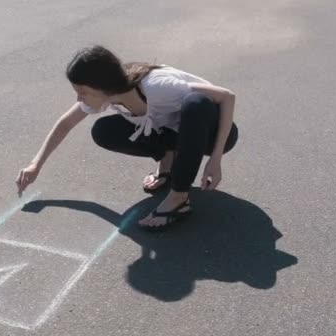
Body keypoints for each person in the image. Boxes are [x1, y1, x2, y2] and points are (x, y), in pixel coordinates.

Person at [15, 45, 238, 230]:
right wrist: (36, 165)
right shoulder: (111, 95)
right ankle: (167, 160)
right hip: (172, 132)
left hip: (212, 133)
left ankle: (179, 198)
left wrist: (215, 158)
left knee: (195, 103)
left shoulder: (157, 87)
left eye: (82, 91)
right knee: (103, 131)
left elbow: (227, 97)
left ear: (102, 86)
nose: (78, 97)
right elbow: (65, 124)